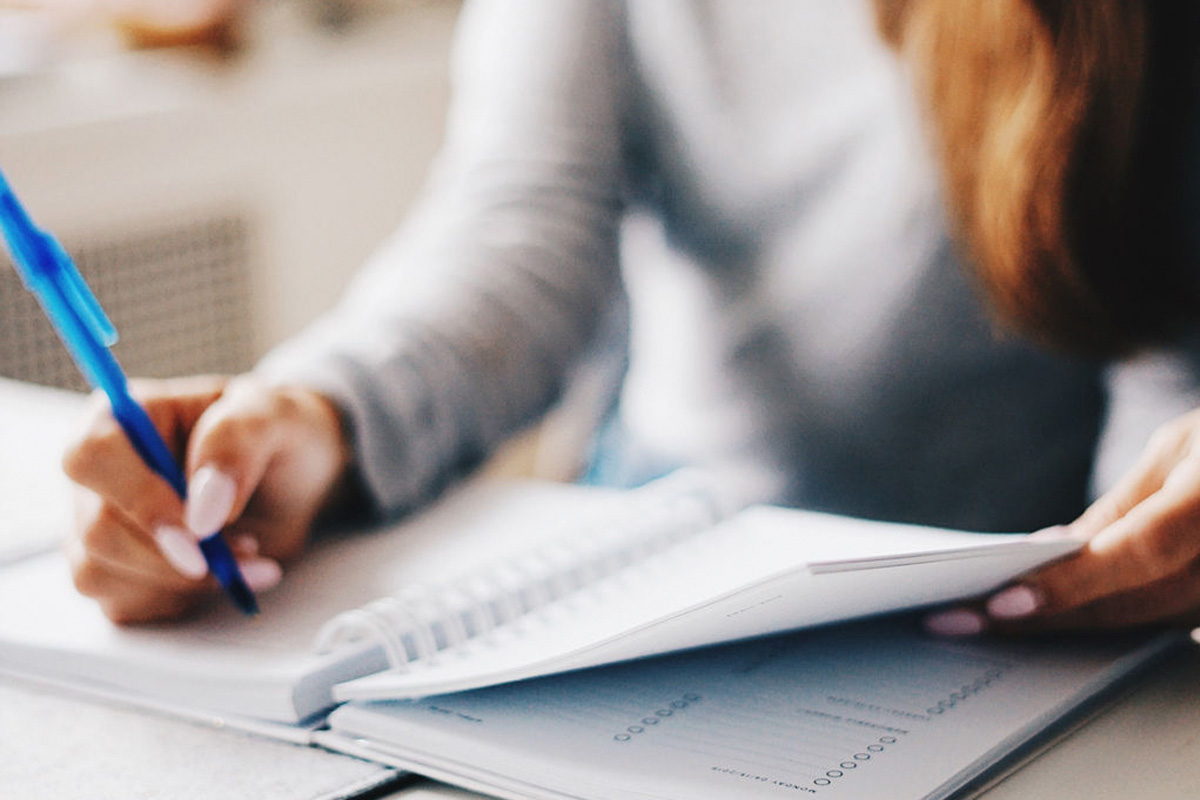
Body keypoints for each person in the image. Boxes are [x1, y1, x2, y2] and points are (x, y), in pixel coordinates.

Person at [61, 0, 1200, 635]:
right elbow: (523, 225)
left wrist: (1141, 557)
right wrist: (318, 413)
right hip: (661, 588)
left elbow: (1167, 333)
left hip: (1026, 614)